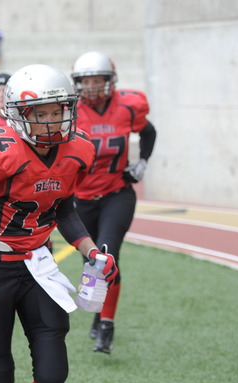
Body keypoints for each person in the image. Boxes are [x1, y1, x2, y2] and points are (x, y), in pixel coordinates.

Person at [0, 64, 119, 383]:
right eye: (41, 113)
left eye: (57, 111)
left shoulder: (76, 149)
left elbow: (62, 209)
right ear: (19, 115)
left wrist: (92, 251)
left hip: (38, 263)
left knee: (53, 372)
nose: (52, 120)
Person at [71, 51, 157, 354]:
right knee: (91, 264)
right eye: (86, 81)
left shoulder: (128, 106)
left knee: (107, 256)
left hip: (116, 193)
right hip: (81, 201)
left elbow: (149, 132)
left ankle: (106, 325)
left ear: (110, 81)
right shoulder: (71, 111)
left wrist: (142, 162)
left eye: (97, 80)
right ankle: (98, 312)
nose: (92, 87)